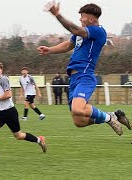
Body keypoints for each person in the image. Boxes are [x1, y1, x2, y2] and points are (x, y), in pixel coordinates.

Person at [37, 3, 131, 135]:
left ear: (92, 19)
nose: (80, 19)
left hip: (85, 76)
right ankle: (113, 115)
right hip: (74, 79)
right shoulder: (82, 33)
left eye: (82, 16)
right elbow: (69, 44)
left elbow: (75, 30)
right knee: (79, 121)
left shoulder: (98, 31)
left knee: (78, 108)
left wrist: (57, 15)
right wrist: (49, 50)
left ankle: (110, 118)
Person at [0, 61, 47, 164]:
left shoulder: (3, 79)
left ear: (2, 70)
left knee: (18, 136)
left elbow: (8, 94)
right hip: (1, 113)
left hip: (10, 112)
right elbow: (2, 97)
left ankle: (39, 140)